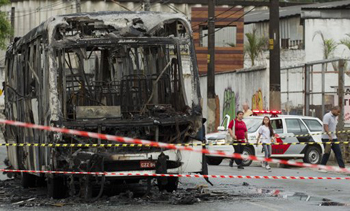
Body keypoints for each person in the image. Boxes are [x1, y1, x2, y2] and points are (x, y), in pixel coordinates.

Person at [319, 106, 345, 171]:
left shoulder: (335, 117)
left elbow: (333, 127)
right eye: (338, 112)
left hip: (334, 138)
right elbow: (326, 127)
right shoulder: (327, 116)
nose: (338, 114)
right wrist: (329, 135)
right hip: (326, 138)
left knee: (338, 152)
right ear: (334, 110)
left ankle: (342, 168)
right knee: (327, 153)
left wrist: (334, 135)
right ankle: (321, 167)